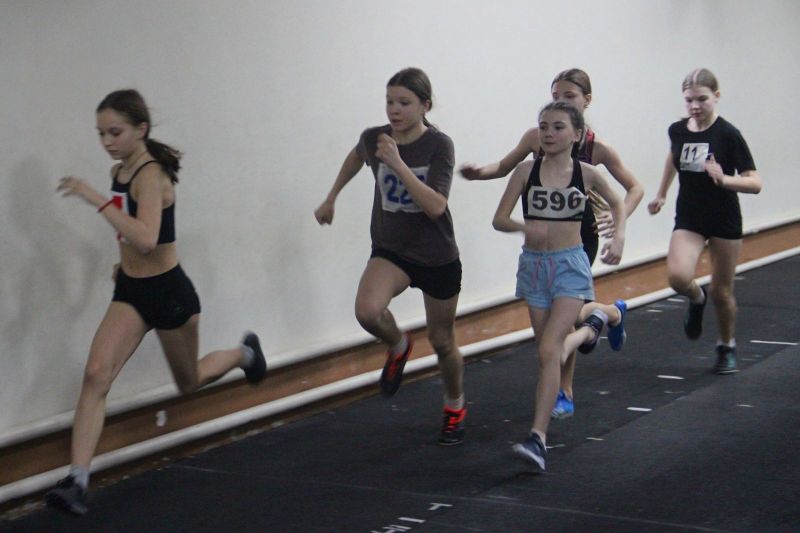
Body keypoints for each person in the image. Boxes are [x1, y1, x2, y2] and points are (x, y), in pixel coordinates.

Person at [46, 89, 267, 516]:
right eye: (101, 134)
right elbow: (133, 234)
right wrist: (123, 263)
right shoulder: (120, 171)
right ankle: (77, 480)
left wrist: (94, 198)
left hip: (169, 294)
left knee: (188, 381)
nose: (107, 142)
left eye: (115, 132)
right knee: (96, 374)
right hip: (132, 291)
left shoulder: (151, 175)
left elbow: (147, 238)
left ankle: (245, 354)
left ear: (140, 129)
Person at [461, 68, 642, 419]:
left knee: (566, 317)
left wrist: (617, 222)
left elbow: (633, 189)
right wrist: (478, 173)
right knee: (568, 314)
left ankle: (565, 390)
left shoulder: (597, 148)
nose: (560, 101)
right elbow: (505, 166)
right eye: (555, 95)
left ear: (586, 101)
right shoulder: (537, 137)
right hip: (541, 243)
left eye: (569, 96)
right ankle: (610, 313)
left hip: (580, 236)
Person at [314, 68, 466, 446]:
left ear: (425, 106)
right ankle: (398, 345)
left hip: (436, 255)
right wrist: (331, 197)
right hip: (392, 250)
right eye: (389, 102)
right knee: (367, 311)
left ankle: (454, 405)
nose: (394, 110)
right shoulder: (375, 138)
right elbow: (356, 156)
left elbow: (436, 205)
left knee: (442, 341)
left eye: (404, 103)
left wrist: (398, 164)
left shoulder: (439, 146)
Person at [492, 101, 627, 472]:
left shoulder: (587, 174)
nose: (548, 134)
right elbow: (499, 219)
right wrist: (524, 228)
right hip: (534, 266)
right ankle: (596, 325)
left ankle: (538, 437)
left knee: (550, 348)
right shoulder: (525, 171)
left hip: (570, 265)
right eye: (543, 127)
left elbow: (618, 202)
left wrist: (618, 238)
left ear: (576, 135)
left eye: (557, 127)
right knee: (547, 353)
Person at [648, 68, 761, 374]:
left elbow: (755, 182)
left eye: (702, 99)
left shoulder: (728, 134)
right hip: (690, 216)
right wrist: (661, 193)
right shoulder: (677, 130)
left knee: (722, 292)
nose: (695, 106)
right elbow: (673, 157)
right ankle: (697, 298)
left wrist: (724, 179)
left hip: (724, 218)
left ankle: (727, 346)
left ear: (716, 96)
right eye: (689, 100)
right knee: (678, 277)